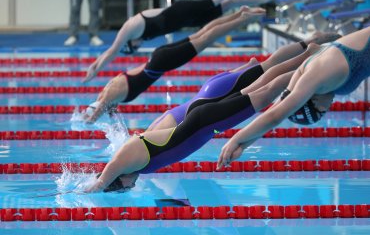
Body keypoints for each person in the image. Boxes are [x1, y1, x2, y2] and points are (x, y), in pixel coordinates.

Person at [84, 32, 341, 192]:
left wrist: (94, 186)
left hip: (207, 121)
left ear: (119, 180)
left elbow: (111, 168)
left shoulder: (133, 158)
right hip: (204, 106)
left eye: (123, 188)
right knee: (265, 77)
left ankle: (312, 66)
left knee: (267, 92)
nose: (130, 189)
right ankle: (308, 53)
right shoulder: (142, 157)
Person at [218, 27, 370, 168]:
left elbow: (275, 116)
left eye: (321, 112)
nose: (328, 109)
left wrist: (235, 140)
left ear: (312, 100)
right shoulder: (306, 78)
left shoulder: (317, 78)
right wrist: (243, 146)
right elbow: (276, 110)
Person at [84, 6, 266, 123]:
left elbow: (96, 115)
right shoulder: (111, 91)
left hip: (163, 61)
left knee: (207, 37)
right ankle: (239, 14)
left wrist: (85, 121)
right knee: (203, 33)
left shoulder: (110, 95)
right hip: (159, 57)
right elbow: (109, 111)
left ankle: (244, 19)